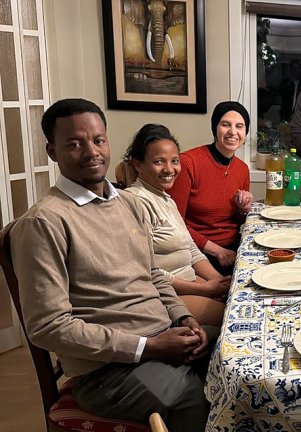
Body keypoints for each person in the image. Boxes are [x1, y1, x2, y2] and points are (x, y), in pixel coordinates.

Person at [9, 98, 215, 431]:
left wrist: (184, 316)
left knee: (230, 354)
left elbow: (152, 275)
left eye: (98, 140)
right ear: (52, 151)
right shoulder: (44, 223)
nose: (91, 152)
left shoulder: (129, 204)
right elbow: (48, 327)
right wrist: (148, 347)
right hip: (106, 372)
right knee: (195, 396)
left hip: (163, 337)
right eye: (74, 144)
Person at [125, 124, 230, 326]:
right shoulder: (135, 202)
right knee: (233, 317)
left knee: (237, 298)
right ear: (138, 165)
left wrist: (219, 281)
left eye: (174, 161)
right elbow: (146, 271)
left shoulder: (165, 198)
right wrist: (205, 289)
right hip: (165, 295)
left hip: (190, 282)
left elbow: (190, 248)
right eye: (158, 162)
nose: (169, 169)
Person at [168, 101, 253, 275]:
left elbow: (235, 220)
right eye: (225, 125)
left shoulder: (242, 169)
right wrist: (217, 250)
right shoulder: (189, 163)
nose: (233, 132)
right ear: (215, 129)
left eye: (239, 126)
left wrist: (243, 209)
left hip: (235, 247)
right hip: (199, 252)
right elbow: (175, 223)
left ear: (245, 134)